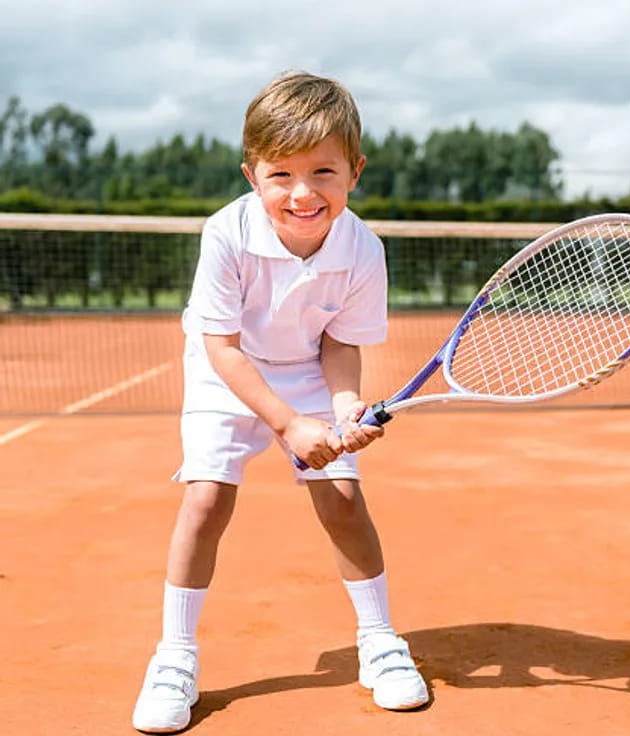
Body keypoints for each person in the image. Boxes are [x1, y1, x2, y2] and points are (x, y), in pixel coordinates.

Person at [132, 71, 428, 733]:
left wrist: (345, 404)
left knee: (343, 500)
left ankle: (379, 643)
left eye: (323, 171)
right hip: (224, 367)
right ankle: (174, 656)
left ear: (355, 171)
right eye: (280, 175)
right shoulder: (227, 235)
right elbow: (224, 347)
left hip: (305, 370)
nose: (302, 193)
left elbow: (340, 344)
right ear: (251, 175)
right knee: (206, 498)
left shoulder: (363, 251)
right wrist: (289, 424)